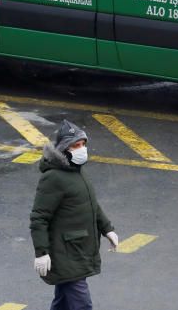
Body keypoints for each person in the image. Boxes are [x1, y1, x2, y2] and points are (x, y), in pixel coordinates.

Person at [30, 119, 120, 310]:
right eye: (76, 145)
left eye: (83, 144)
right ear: (64, 149)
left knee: (63, 302)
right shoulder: (53, 178)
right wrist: (42, 253)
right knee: (82, 305)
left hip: (79, 249)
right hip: (67, 254)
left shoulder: (78, 172)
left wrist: (107, 229)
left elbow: (91, 204)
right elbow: (39, 218)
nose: (82, 149)